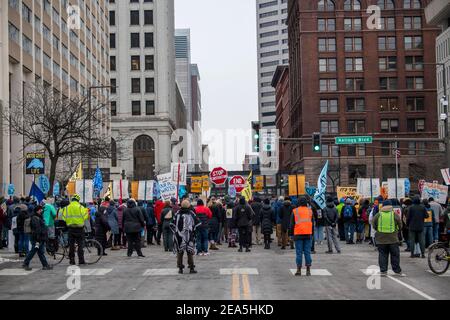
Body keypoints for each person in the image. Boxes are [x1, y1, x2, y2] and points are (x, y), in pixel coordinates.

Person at [170, 200, 201, 274]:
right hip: (189, 236)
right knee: (190, 252)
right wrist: (194, 231)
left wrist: (176, 232)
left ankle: (180, 268)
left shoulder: (177, 213)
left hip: (179, 236)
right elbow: (198, 223)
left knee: (179, 252)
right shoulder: (191, 213)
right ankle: (191, 268)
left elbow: (172, 224)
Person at [373, 200, 402, 276]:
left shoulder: (378, 215)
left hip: (381, 239)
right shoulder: (394, 214)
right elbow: (400, 224)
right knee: (395, 255)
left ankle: (383, 270)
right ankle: (396, 270)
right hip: (393, 238)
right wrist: (397, 230)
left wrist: (379, 230)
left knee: (382, 254)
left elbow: (374, 224)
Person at [60, 194, 90, 265]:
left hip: (71, 228)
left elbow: (63, 217)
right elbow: (85, 217)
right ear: (78, 200)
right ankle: (81, 260)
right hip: (80, 228)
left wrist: (69, 221)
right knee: (80, 245)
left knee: (71, 246)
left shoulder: (67, 208)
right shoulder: (81, 207)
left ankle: (72, 260)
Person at [22, 206, 52, 271]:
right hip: (37, 239)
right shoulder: (35, 218)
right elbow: (37, 229)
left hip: (39, 238)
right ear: (37, 210)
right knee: (33, 251)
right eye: (41, 210)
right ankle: (25, 263)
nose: (42, 211)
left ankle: (45, 265)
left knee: (40, 252)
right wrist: (38, 239)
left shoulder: (38, 217)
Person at [291, 197, 313, 276]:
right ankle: (308, 270)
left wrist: (291, 235)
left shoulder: (295, 211)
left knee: (299, 253)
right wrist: (312, 233)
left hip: (298, 234)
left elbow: (292, 224)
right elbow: (312, 223)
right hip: (308, 234)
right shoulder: (310, 211)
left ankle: (299, 270)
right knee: (307, 252)